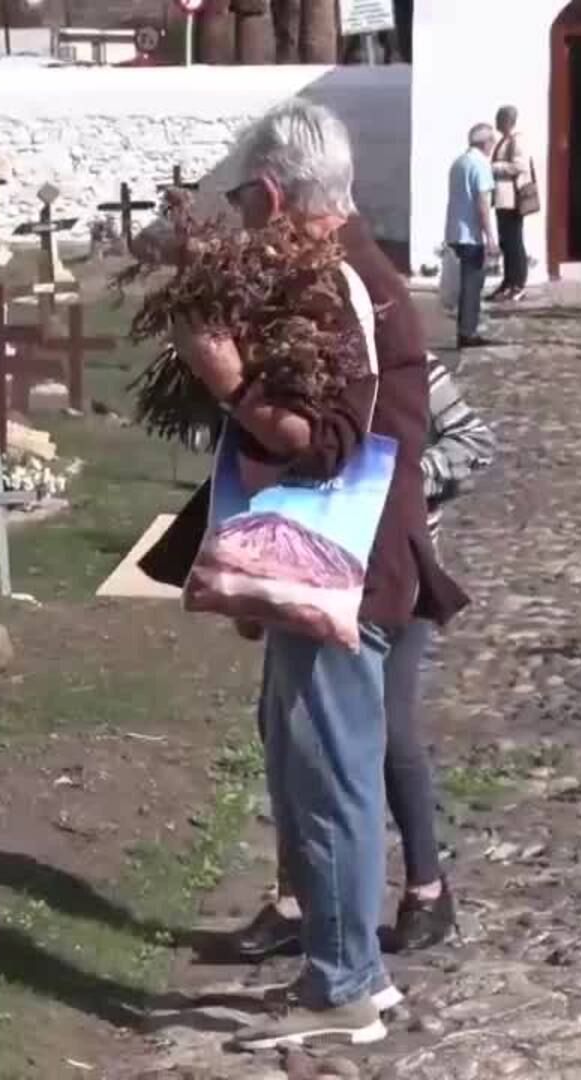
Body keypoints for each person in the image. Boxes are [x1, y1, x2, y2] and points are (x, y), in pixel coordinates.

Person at [178, 99, 471, 1050]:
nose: (241, 221)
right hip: (362, 561)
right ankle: (347, 974)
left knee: (328, 771)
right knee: (313, 760)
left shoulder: (335, 282)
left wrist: (226, 377)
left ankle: (346, 980)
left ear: (271, 193)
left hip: (347, 570)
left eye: (242, 201)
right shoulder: (357, 270)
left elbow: (329, 445)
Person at [229, 353, 497, 968]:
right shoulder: (295, 369)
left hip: (395, 567)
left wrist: (396, 478)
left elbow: (475, 442)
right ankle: (297, 898)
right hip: (308, 558)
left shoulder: (408, 367)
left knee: (388, 727)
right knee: (285, 722)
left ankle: (427, 889)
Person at [444, 124, 500, 349]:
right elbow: (483, 204)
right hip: (471, 233)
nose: (493, 145)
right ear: (485, 142)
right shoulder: (481, 165)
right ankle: (467, 332)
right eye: (492, 141)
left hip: (455, 229)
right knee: (472, 285)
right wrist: (491, 238)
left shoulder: (459, 163)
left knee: (465, 283)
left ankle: (465, 329)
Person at [488, 106, 535, 302]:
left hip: (512, 199)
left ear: (509, 120)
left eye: (500, 119)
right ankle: (507, 282)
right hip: (501, 200)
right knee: (506, 242)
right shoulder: (504, 141)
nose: (497, 122)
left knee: (515, 242)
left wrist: (495, 167)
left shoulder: (517, 141)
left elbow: (520, 166)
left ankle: (518, 284)